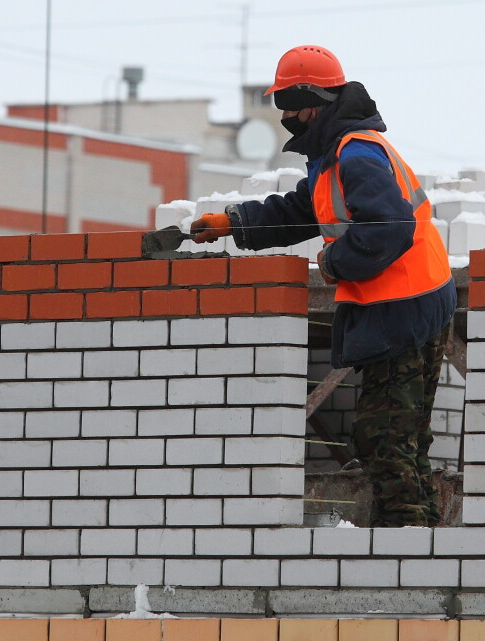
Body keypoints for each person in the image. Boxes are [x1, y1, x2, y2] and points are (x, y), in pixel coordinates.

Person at [190, 45, 456, 528]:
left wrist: (335, 261)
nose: (286, 116)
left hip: (407, 304)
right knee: (400, 435)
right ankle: (419, 536)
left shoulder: (356, 154)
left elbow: (391, 225)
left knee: (385, 435)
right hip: (406, 302)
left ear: (315, 99)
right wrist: (233, 223)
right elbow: (300, 212)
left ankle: (410, 540)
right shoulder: (334, 155)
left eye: (290, 104)